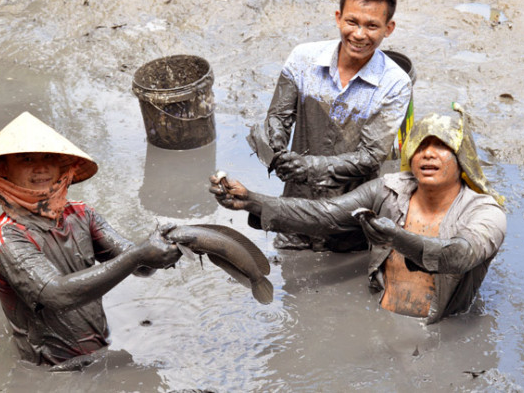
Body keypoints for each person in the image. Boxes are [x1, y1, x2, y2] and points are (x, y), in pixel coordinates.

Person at [213, 105, 507, 324]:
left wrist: (398, 238)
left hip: (443, 325)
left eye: (442, 146)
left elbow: (459, 255)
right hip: (381, 319)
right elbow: (324, 215)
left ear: (462, 158)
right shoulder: (387, 189)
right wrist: (251, 201)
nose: (429, 154)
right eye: (421, 146)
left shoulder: (485, 212)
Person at [0, 112, 182, 367]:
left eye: (49, 158)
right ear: (4, 169)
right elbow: (56, 295)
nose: (41, 167)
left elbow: (140, 265)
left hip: (99, 350)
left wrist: (159, 249)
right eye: (27, 158)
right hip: (53, 369)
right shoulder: (5, 237)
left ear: (62, 167)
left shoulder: (81, 214)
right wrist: (140, 254)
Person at [247, 0, 413, 252]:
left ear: (389, 28)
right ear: (338, 18)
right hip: (295, 205)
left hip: (351, 213)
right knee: (290, 268)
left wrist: (308, 166)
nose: (359, 34)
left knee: (348, 261)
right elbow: (278, 117)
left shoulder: (395, 83)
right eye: (352, 22)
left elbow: (371, 156)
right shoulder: (303, 59)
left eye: (372, 26)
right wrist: (275, 142)